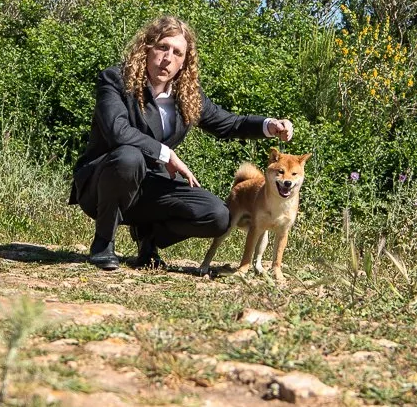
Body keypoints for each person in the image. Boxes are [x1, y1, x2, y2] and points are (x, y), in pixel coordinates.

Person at [70, 14, 295, 270]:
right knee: (129, 157)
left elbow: (229, 123)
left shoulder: (187, 95)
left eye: (177, 53)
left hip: (152, 187)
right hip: (102, 185)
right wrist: (166, 154)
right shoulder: (116, 80)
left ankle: (148, 241)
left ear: (184, 63)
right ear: (147, 48)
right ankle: (103, 243)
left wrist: (270, 125)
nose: (168, 58)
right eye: (162, 47)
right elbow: (116, 131)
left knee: (218, 216)